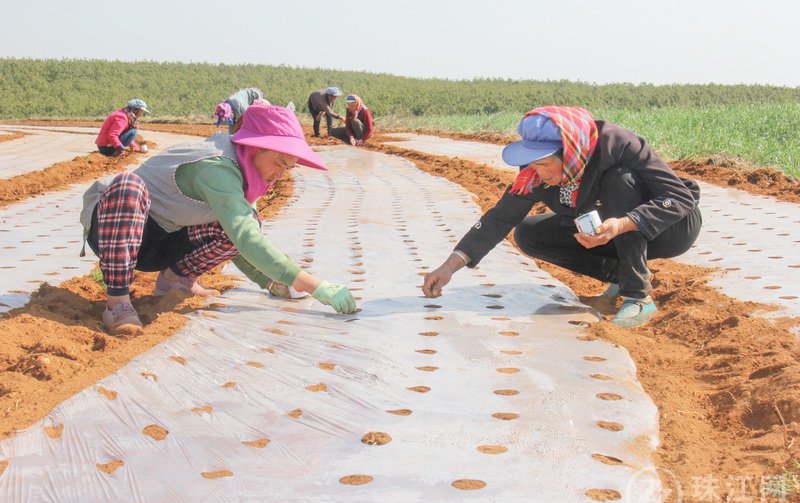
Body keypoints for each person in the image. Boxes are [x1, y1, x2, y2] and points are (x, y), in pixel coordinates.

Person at [80, 105, 357, 336]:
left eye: (289, 167)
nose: (281, 174)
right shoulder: (217, 167)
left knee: (248, 219)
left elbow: (239, 234)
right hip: (114, 228)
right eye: (279, 162)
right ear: (255, 148)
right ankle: (117, 303)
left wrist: (271, 282)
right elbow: (247, 240)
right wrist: (315, 286)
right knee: (129, 186)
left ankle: (175, 280)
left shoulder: (244, 174)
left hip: (161, 241)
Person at [422, 106, 702, 328]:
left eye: (544, 163)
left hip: (671, 226)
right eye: (533, 163)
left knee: (620, 179)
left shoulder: (617, 144)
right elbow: (500, 218)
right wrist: (449, 267)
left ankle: (637, 295)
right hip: (610, 229)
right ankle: (623, 275)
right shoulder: (534, 174)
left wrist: (623, 224)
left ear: (570, 152)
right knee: (529, 234)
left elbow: (680, 198)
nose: (538, 172)